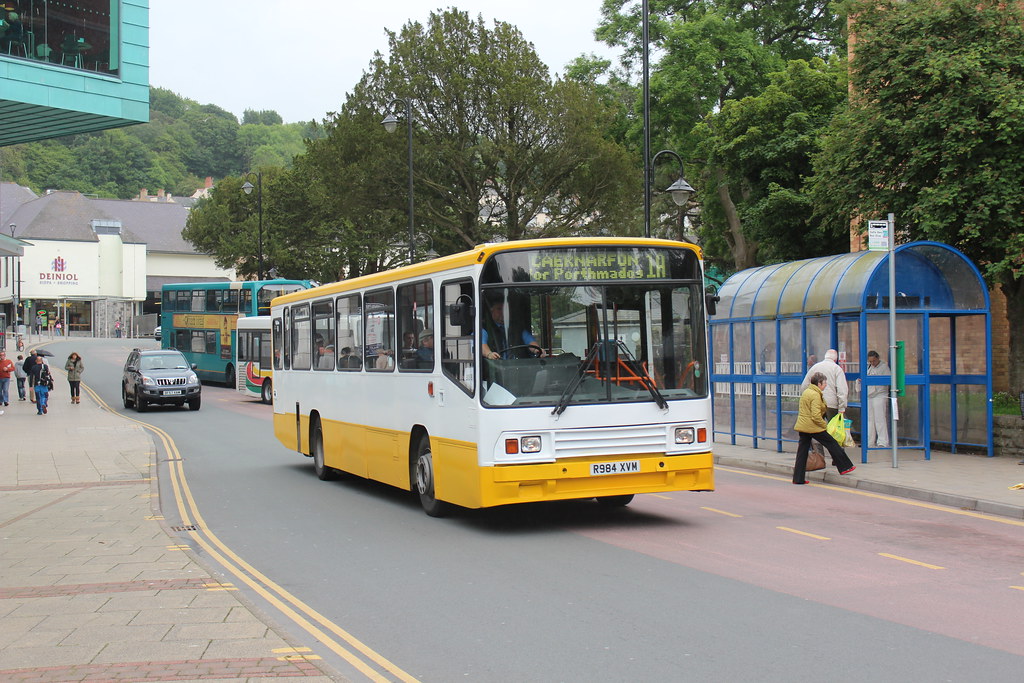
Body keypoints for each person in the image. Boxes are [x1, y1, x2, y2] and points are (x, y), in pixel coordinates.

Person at [792, 372, 856, 484]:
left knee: (802, 452)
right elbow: (815, 415)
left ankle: (798, 478)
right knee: (832, 443)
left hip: (803, 426)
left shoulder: (807, 392)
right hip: (813, 426)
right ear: (819, 383)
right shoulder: (815, 395)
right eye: (825, 383)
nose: (826, 385)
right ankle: (845, 466)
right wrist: (825, 425)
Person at [800, 349, 848, 458]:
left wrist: (807, 401)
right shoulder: (837, 369)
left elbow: (804, 386)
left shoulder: (815, 367)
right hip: (832, 404)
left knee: (816, 429)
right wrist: (842, 407)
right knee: (836, 431)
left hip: (816, 403)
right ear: (835, 359)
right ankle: (838, 457)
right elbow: (842, 390)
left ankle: (819, 456)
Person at [865, 350, 890, 448]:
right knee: (870, 419)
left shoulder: (884, 367)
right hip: (870, 395)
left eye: (874, 361)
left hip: (880, 394)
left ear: (878, 359)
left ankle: (882, 441)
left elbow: (888, 380)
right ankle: (869, 441)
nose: (872, 363)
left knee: (880, 419)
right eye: (870, 361)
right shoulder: (869, 367)